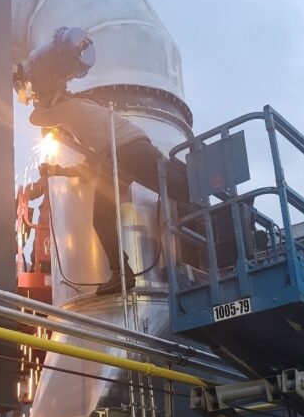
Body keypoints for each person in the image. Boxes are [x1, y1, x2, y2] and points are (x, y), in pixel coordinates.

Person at [30, 94, 190, 295]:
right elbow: (91, 166)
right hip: (136, 150)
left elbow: (36, 119)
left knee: (102, 218)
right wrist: (56, 170)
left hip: (122, 155)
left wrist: (40, 97)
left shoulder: (69, 108)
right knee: (179, 188)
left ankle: (122, 274)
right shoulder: (95, 117)